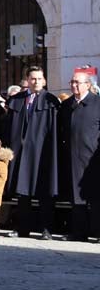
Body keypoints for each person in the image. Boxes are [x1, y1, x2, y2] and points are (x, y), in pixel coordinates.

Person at [4, 66, 60, 239]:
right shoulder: (17, 99)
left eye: (39, 79)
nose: (36, 82)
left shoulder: (51, 101)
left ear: (44, 81)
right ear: (27, 80)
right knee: (22, 192)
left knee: (45, 191)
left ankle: (46, 229)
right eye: (33, 79)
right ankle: (22, 228)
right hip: (21, 152)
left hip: (43, 152)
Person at [60, 70, 100, 241]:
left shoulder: (97, 103)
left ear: (88, 85)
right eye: (72, 82)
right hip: (73, 157)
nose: (74, 85)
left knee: (97, 197)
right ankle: (79, 233)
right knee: (76, 199)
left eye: (78, 82)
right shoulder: (67, 104)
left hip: (94, 159)